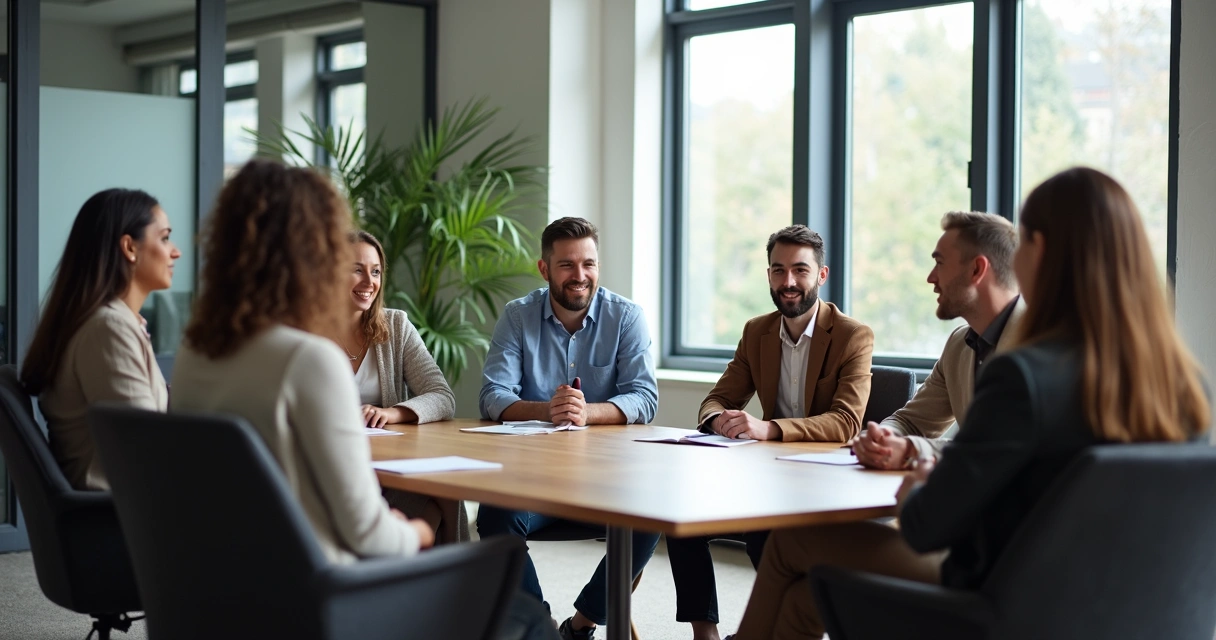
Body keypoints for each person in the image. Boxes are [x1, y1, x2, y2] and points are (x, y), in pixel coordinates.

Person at [731, 167, 1211, 640]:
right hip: (1127, 610)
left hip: (1007, 601)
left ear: (1041, 252)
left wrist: (919, 480)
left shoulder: (1024, 374)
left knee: (792, 541)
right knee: (804, 598)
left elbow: (926, 526)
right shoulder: (1185, 382)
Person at [172, 159, 556, 640]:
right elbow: (365, 535)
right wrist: (418, 534)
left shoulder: (195, 352)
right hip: (320, 601)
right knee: (521, 607)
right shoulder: (308, 359)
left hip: (217, 591)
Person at [667, 224, 874, 640]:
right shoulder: (756, 331)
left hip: (823, 480)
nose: (788, 281)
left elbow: (846, 422)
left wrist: (770, 428)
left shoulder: (852, 336)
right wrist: (718, 420)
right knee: (679, 514)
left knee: (766, 533)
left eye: (800, 270)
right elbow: (716, 399)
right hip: (765, 476)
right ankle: (705, 633)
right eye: (778, 270)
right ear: (768, 275)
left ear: (822, 275)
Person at [478, 216, 660, 640]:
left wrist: (586, 412)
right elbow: (491, 396)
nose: (580, 275)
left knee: (653, 514)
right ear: (544, 269)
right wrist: (549, 410)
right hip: (533, 482)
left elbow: (645, 398)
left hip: (606, 482)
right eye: (567, 265)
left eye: (588, 264)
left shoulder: (626, 317)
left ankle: (581, 625)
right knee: (495, 516)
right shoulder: (518, 316)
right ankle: (539, 629)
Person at [22, 188, 180, 491]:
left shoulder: (112, 323)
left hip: (129, 504)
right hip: (126, 510)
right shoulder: (108, 329)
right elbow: (144, 445)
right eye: (164, 238)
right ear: (129, 247)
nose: (175, 252)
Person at [853, 211, 1024, 470]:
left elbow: (1003, 446)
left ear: (977, 270)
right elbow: (911, 422)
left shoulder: (1043, 342)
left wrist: (910, 449)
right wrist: (883, 438)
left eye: (940, 263)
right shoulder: (959, 344)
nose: (931, 278)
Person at [346, 230, 466, 543]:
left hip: (389, 465)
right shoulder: (307, 333)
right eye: (357, 270)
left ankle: (440, 568)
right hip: (337, 466)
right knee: (435, 501)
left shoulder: (396, 325)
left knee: (444, 484)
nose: (369, 282)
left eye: (375, 272)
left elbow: (442, 396)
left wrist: (393, 413)